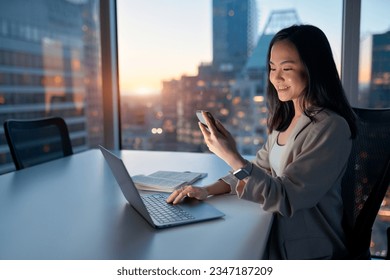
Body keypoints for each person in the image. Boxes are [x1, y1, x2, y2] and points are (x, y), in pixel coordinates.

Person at [167, 24, 357, 260]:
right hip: (278, 235)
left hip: (307, 253)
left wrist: (231, 156)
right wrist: (206, 190)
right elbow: (258, 169)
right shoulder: (286, 121)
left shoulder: (331, 127)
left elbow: (286, 197)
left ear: (313, 69)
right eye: (272, 67)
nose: (276, 77)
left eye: (286, 68)